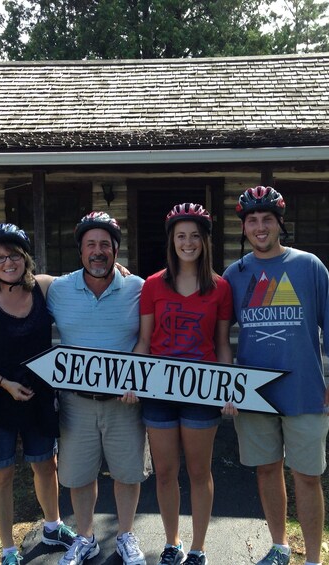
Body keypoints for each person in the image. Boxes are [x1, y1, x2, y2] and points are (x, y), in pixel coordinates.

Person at [222, 186, 329, 565]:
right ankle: (279, 546)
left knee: (308, 477)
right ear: (244, 228)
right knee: (266, 470)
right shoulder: (235, 274)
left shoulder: (308, 266)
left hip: (305, 391)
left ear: (280, 224)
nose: (260, 227)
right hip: (254, 394)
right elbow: (212, 329)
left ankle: (312, 559)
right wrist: (224, 381)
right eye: (252, 221)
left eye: (267, 220)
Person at [0, 223, 76, 565]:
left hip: (37, 392)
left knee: (45, 463)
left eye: (14, 256)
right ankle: (8, 548)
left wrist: (120, 269)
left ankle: (53, 526)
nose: (8, 263)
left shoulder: (43, 287)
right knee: (2, 473)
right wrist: (4, 383)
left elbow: (83, 279)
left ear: (25, 258)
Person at [130, 203, 233, 565]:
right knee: (165, 472)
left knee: (199, 471)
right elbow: (144, 340)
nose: (187, 243)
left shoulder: (220, 288)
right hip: (158, 390)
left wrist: (228, 387)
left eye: (194, 236)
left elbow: (222, 344)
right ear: (171, 241)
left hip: (202, 389)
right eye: (180, 236)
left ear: (204, 241)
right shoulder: (154, 285)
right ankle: (172, 542)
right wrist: (133, 378)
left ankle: (198, 547)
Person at [46, 211, 149, 565]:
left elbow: (147, 338)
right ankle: (86, 537)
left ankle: (125, 534)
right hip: (76, 402)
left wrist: (136, 374)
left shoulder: (138, 287)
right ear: (80, 251)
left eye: (105, 244)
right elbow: (26, 281)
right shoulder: (59, 289)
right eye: (91, 244)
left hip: (125, 400)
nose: (98, 251)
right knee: (78, 474)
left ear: (116, 250)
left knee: (127, 472)